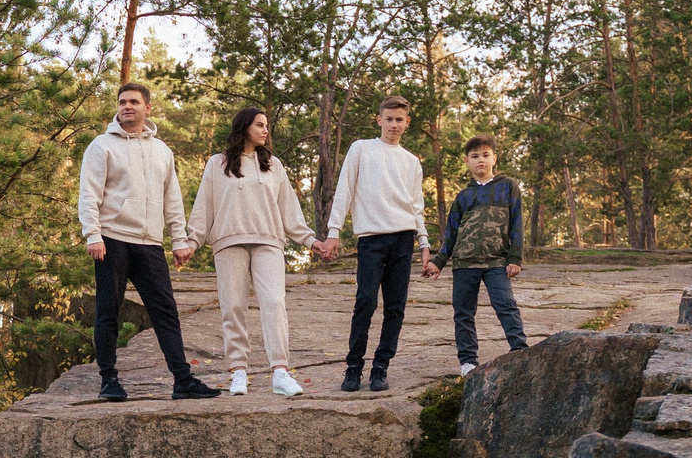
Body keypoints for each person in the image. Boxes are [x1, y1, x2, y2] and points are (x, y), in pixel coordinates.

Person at [78, 82, 221, 402]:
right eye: (122, 102)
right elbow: (89, 193)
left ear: (147, 107)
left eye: (133, 102)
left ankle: (182, 380)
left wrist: (180, 240)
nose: (126, 106)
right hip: (112, 239)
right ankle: (109, 380)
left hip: (150, 243)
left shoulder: (162, 151)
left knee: (166, 310)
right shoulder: (102, 146)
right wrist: (93, 234)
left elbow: (172, 199)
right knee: (108, 309)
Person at [188, 106, 320, 396]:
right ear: (244, 126)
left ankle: (281, 372)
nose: (265, 130)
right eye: (260, 124)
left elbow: (289, 209)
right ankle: (238, 371)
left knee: (274, 302)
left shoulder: (274, 165)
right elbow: (204, 208)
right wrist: (192, 241)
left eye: (267, 125)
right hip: (228, 241)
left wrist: (310, 240)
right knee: (233, 306)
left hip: (269, 241)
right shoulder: (217, 163)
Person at [324, 94, 435, 393]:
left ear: (407, 123)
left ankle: (380, 368)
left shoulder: (411, 162)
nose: (394, 125)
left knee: (396, 307)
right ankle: (353, 367)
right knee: (365, 302)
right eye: (389, 119)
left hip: (403, 239)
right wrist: (334, 231)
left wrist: (424, 243)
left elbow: (416, 206)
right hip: (371, 239)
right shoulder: (361, 149)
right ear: (379, 120)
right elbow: (344, 191)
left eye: (400, 120)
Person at [434, 134, 528, 375]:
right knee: (463, 312)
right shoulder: (463, 197)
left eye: (486, 155)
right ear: (467, 161)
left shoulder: (508, 187)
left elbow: (517, 222)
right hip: (464, 263)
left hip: (497, 261)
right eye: (475, 156)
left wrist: (515, 258)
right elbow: (451, 234)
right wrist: (439, 261)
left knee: (506, 305)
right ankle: (468, 361)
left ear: (494, 158)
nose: (481, 160)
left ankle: (520, 350)